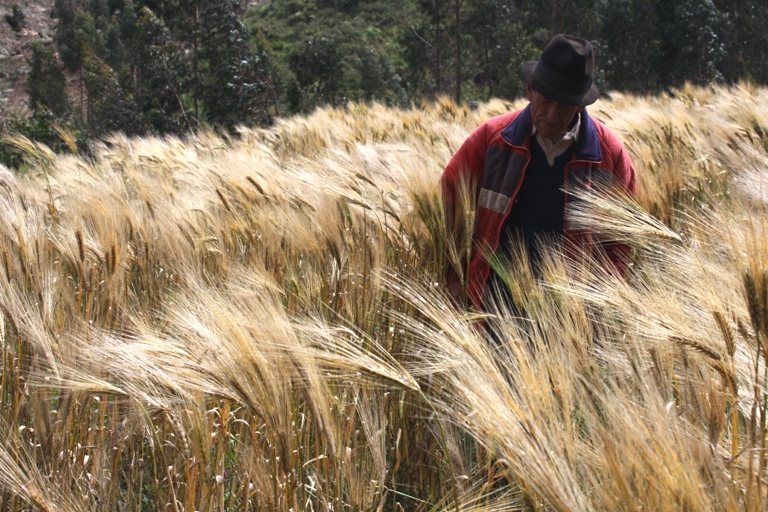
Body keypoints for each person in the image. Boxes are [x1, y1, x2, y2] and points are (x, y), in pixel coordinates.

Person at [440, 34, 636, 313]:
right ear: (530, 91)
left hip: (568, 318)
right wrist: (455, 278)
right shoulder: (492, 140)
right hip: (491, 307)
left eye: (564, 106)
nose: (552, 115)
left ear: (581, 104)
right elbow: (448, 207)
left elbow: (620, 240)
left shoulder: (610, 156)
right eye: (545, 101)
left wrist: (598, 305)